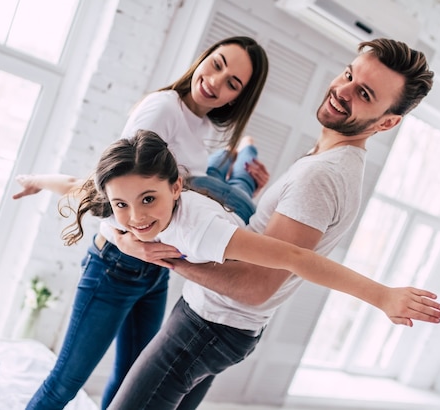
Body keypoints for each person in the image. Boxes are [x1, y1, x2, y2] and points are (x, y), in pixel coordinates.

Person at [110, 38, 440, 409]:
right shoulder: (330, 161)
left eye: (363, 93)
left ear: (388, 122)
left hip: (210, 324)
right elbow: (273, 253)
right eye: (348, 74)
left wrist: (165, 257)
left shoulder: (323, 175)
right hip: (222, 326)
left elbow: (257, 285)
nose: (342, 90)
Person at [25, 129, 440, 410]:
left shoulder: (205, 231)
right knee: (241, 185)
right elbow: (78, 189)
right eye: (122, 205)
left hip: (215, 324)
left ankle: (244, 152)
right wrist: (37, 180)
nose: (135, 216)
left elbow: (297, 258)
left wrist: (382, 295)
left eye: (148, 200)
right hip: (210, 303)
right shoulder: (127, 201)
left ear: (175, 187)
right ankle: (245, 149)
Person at [14, 36, 269, 410]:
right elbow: (112, 188)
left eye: (232, 82)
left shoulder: (199, 126)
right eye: (217, 64)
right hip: (116, 267)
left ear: (237, 98)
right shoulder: (163, 108)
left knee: (130, 383)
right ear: (203, 59)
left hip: (155, 271)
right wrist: (122, 241)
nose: (216, 81)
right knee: (65, 382)